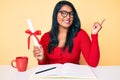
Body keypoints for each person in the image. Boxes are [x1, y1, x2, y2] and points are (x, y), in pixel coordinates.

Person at [33, 0, 105, 67]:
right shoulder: (45, 37)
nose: (68, 17)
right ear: (55, 15)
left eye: (71, 14)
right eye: (63, 13)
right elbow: (44, 67)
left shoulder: (81, 34)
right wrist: (41, 59)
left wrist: (94, 35)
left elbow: (93, 63)